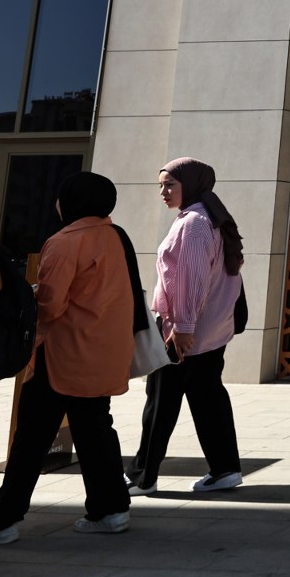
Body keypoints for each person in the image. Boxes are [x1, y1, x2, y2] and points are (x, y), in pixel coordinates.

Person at [0, 172, 135, 543]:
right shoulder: (115, 235)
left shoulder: (66, 240)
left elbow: (51, 306)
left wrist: (25, 303)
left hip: (61, 355)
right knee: (95, 430)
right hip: (102, 351)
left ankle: (2, 520)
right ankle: (111, 508)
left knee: (31, 438)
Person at [125, 157, 245, 496]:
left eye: (170, 185)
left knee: (160, 402)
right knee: (208, 398)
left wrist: (183, 326)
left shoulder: (194, 223)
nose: (163, 192)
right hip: (210, 331)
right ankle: (225, 470)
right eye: (161, 185)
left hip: (184, 331)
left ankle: (143, 477)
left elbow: (190, 279)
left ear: (190, 185)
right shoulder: (211, 218)